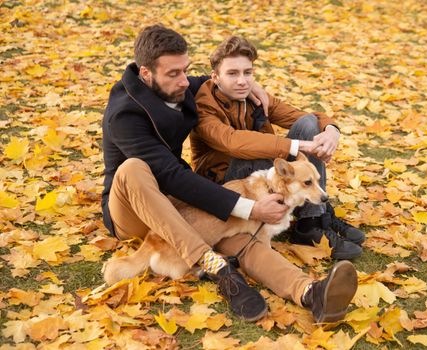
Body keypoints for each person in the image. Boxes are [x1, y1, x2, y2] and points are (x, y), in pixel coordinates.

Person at [102, 24, 358, 323]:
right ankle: (216, 266)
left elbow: (218, 81)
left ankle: (310, 292)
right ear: (146, 74)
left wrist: (253, 87)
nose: (185, 81)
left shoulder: (179, 84)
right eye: (174, 74)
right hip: (133, 207)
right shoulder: (124, 114)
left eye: (186, 70)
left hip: (176, 202)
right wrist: (250, 206)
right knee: (133, 168)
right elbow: (171, 174)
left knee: (239, 233)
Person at [191, 36, 365, 261]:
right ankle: (311, 218)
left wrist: (331, 129)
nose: (242, 81)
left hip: (261, 177)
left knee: (309, 126)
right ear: (215, 77)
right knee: (249, 153)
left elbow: (304, 118)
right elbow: (233, 142)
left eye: (248, 73)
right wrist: (296, 146)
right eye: (232, 73)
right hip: (227, 184)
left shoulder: (253, 96)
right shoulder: (203, 106)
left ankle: (312, 220)